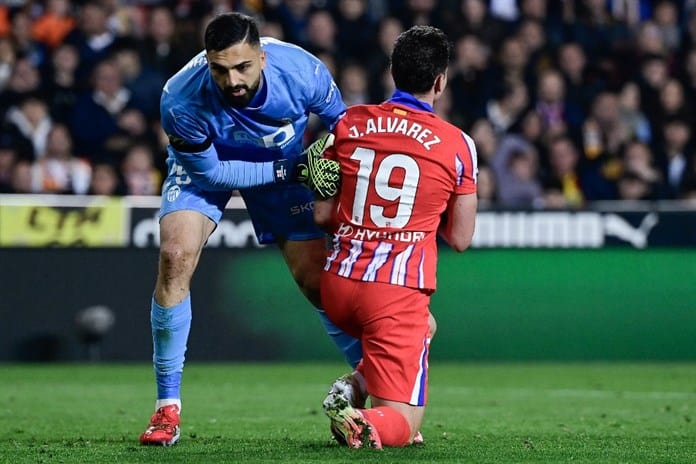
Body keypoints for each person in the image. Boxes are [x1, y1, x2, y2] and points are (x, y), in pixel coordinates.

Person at [139, 12, 359, 446]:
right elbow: (216, 174)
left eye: (242, 67)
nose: (232, 80)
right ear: (207, 62)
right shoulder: (180, 99)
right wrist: (290, 170)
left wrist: (333, 175)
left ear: (262, 56)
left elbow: (345, 130)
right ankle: (167, 408)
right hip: (214, 170)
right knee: (174, 256)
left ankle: (384, 395)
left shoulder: (302, 70)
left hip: (287, 167)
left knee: (318, 283)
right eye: (220, 70)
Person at [314, 25, 478, 448]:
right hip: (393, 291)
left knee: (427, 326)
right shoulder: (457, 145)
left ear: (392, 72)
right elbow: (461, 237)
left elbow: (321, 213)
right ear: (440, 81)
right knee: (403, 426)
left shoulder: (349, 123)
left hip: (337, 284)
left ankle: (353, 387)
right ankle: (355, 419)